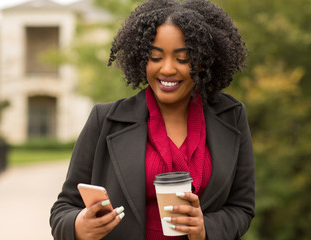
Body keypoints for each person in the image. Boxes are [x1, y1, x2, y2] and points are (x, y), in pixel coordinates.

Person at [50, 0, 255, 239]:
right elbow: (62, 211)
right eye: (155, 57)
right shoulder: (104, 120)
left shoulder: (231, 116)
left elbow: (242, 208)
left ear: (203, 62)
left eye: (183, 58)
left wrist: (206, 228)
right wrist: (78, 225)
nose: (167, 69)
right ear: (141, 59)